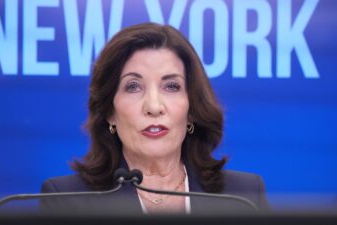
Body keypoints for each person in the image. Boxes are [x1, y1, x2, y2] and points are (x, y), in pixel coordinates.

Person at [41, 23, 268, 215]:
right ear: (110, 111)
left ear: (191, 109)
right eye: (133, 86)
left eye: (171, 86)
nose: (154, 107)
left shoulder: (243, 196)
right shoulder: (67, 201)